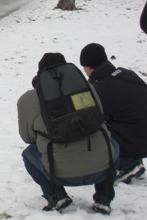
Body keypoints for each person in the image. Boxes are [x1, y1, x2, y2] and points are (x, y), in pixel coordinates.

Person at [17, 53, 118, 214]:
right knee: (113, 144)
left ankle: (57, 196)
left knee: (29, 153)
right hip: (101, 170)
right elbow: (99, 118)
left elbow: (27, 137)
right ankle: (103, 198)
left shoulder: (28, 99)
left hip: (59, 174)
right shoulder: (87, 89)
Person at [80, 43, 147, 184]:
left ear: (88, 67)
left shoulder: (101, 88)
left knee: (97, 131)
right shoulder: (127, 74)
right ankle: (134, 160)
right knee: (125, 118)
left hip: (141, 140)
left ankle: (126, 165)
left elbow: (90, 120)